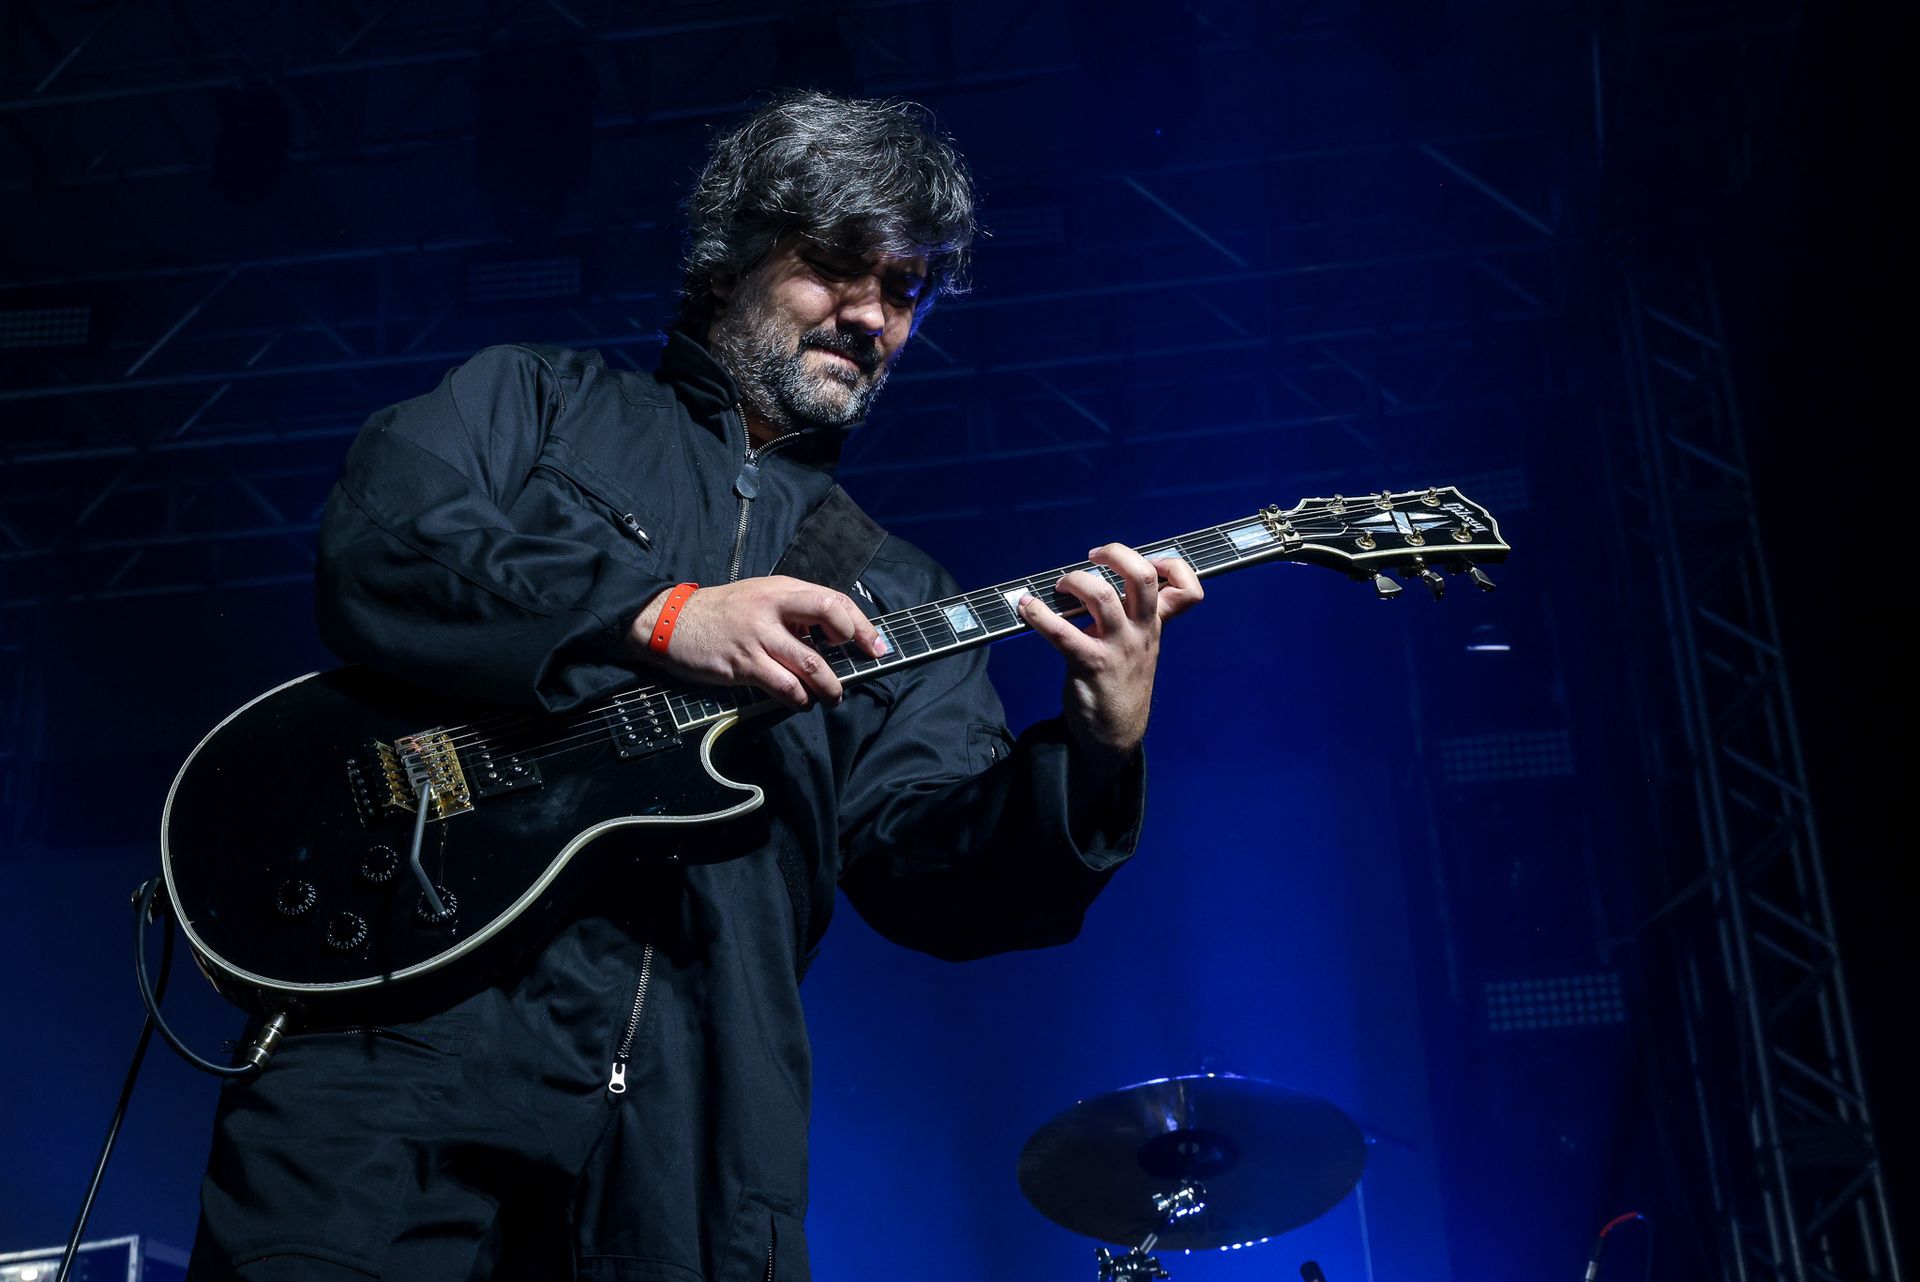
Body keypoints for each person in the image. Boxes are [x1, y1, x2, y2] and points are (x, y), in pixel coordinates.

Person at [186, 91, 1202, 1281]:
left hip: (697, 1138)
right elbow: (385, 537)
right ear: (732, 256)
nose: (872, 313)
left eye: (906, 288)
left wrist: (1096, 750)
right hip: (399, 1050)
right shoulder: (536, 404)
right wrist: (657, 614)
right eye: (836, 265)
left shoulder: (894, 591)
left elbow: (947, 880)